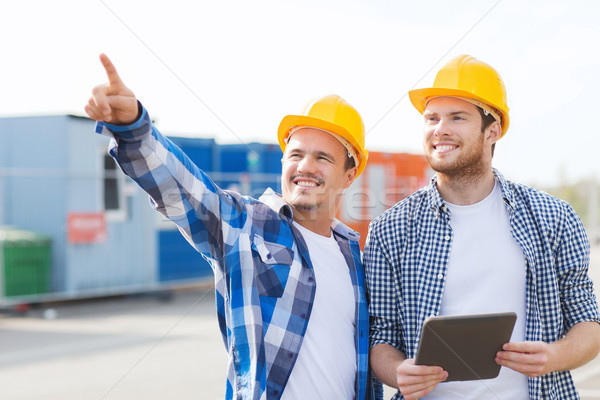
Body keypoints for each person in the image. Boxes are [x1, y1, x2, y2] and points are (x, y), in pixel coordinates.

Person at [85, 54, 381, 400]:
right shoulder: (247, 226)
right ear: (283, 161)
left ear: (349, 175)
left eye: (323, 158)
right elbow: (184, 189)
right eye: (296, 154)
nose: (305, 166)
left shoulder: (353, 256)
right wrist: (134, 129)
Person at [364, 54, 600, 400]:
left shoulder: (553, 218)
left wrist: (555, 356)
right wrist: (398, 372)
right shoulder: (390, 230)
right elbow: (380, 335)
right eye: (432, 118)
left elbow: (588, 323)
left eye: (457, 117)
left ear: (493, 130)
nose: (439, 129)